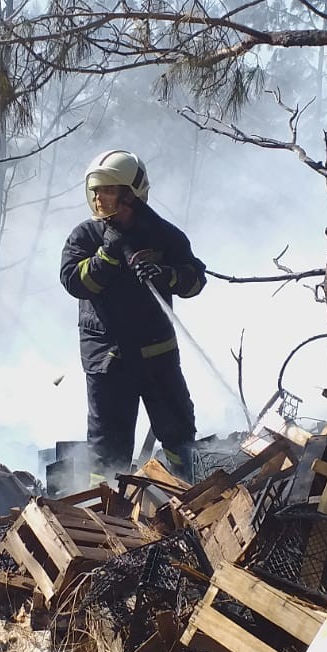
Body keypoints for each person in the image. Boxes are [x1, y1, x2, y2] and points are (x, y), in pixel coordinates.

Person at [59, 149, 206, 480]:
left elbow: (195, 280)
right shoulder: (86, 236)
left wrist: (166, 274)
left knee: (178, 433)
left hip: (157, 358)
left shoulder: (164, 235)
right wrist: (110, 252)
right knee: (107, 451)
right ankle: (108, 516)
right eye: (95, 190)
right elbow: (75, 282)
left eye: (108, 190)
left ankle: (186, 503)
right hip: (107, 362)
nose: (98, 198)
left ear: (131, 194)